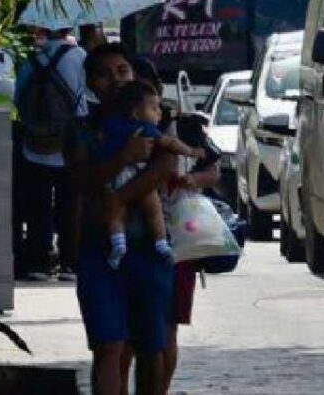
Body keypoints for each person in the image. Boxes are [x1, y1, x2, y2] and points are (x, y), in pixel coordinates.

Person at [72, 43, 177, 395]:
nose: (115, 80)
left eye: (122, 71)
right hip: (98, 249)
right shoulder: (82, 130)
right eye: (103, 74)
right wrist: (123, 159)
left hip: (147, 246)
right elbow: (81, 180)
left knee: (150, 346)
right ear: (90, 82)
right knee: (108, 346)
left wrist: (117, 198)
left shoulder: (151, 116)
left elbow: (166, 167)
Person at [123, 56, 222, 393]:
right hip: (129, 239)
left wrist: (192, 179)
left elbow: (213, 170)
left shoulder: (187, 129)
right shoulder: (114, 132)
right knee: (128, 335)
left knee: (166, 328)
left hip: (178, 241)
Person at [100, 81, 203, 269]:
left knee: (115, 214)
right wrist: (190, 151)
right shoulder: (143, 128)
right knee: (154, 210)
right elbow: (170, 143)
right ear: (136, 113)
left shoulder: (110, 124)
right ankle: (162, 243)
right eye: (154, 107)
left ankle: (118, 244)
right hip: (136, 175)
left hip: (114, 177)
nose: (159, 112)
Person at [14, 26, 88, 281]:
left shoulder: (31, 59)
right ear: (68, 28)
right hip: (70, 142)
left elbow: (18, 98)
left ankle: (38, 263)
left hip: (35, 143)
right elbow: (85, 96)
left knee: (38, 205)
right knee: (71, 203)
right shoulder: (79, 56)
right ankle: (70, 263)